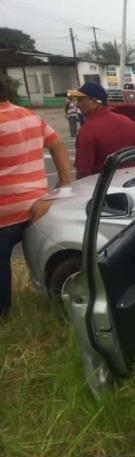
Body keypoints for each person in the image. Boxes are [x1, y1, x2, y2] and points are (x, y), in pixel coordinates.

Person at [0, 76, 72, 316]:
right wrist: (63, 181)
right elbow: (57, 143)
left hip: (5, 214)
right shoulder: (29, 115)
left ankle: (3, 314)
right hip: (37, 206)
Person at [69, 82, 135, 179]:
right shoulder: (128, 122)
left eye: (81, 100)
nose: (78, 105)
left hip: (104, 188)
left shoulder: (88, 130)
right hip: (133, 184)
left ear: (94, 102)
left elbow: (83, 171)